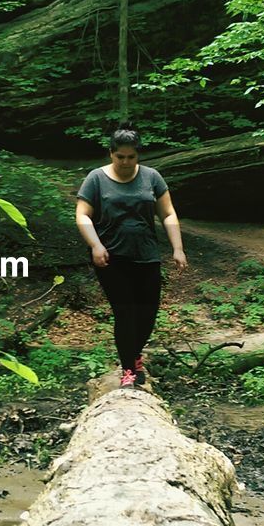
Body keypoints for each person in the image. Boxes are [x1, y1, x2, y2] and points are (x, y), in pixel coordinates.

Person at [75, 121, 187, 388]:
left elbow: (168, 213)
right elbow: (82, 215)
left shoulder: (152, 177)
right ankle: (128, 370)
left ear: (139, 155)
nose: (125, 162)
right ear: (111, 154)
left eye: (131, 157)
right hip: (112, 258)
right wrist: (95, 245)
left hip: (147, 255)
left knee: (147, 313)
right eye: (120, 156)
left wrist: (178, 248)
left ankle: (134, 355)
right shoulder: (96, 178)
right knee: (125, 312)